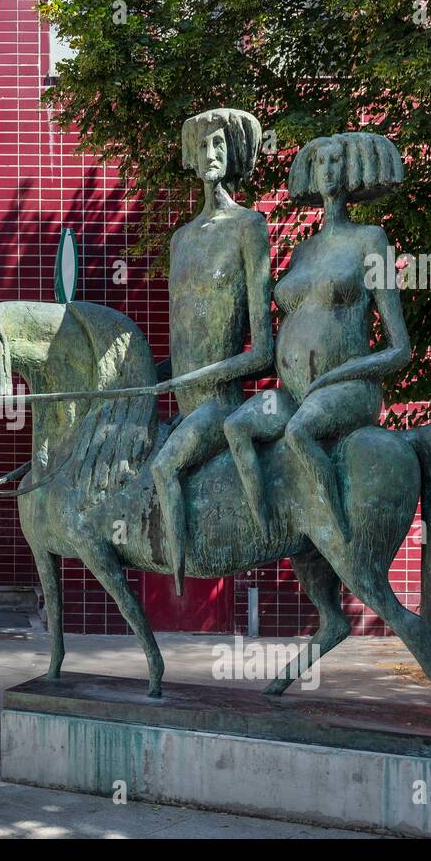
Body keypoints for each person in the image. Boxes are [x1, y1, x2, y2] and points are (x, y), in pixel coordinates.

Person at [224, 132, 409, 546]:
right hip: (292, 394)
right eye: (321, 163)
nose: (327, 171)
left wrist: (335, 375)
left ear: (351, 172)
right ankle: (269, 531)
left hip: (346, 389)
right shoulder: (303, 251)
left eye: (336, 163)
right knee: (236, 427)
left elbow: (400, 348)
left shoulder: (370, 240)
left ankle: (337, 532)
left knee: (298, 433)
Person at [149, 108, 274, 594]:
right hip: (181, 407)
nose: (210, 155)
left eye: (218, 144)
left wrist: (199, 380)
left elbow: (263, 349)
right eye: (202, 146)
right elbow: (180, 347)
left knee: (163, 467)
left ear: (234, 152)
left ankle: (183, 575)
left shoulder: (249, 228)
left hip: (218, 404)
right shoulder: (181, 239)